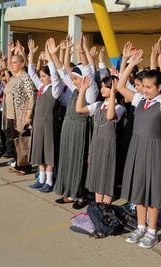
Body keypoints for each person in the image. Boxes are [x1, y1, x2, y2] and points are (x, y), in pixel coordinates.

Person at [118, 48, 161, 249]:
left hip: (153, 150)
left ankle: (152, 232)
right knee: (139, 191)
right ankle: (140, 227)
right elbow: (121, 86)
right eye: (144, 86)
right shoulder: (141, 100)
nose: (145, 90)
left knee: (152, 193)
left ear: (158, 87)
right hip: (136, 148)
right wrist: (131, 64)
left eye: (150, 87)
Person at [51, 35, 98, 209]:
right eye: (73, 79)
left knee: (77, 160)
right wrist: (55, 54)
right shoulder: (75, 88)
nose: (74, 81)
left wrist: (80, 50)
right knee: (67, 159)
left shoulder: (90, 90)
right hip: (68, 127)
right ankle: (67, 190)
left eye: (76, 78)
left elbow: (86, 71)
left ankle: (79, 195)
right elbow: (62, 72)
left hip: (80, 129)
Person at [76, 75, 125, 204]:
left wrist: (113, 95)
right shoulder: (98, 104)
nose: (102, 89)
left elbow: (110, 116)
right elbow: (79, 109)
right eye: (101, 86)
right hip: (96, 143)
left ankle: (106, 206)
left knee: (107, 175)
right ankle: (98, 205)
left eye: (106, 87)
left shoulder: (119, 108)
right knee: (97, 174)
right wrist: (82, 91)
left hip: (108, 145)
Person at [27, 39, 63, 193]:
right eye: (40, 76)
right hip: (38, 123)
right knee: (39, 151)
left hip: (49, 124)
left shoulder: (55, 89)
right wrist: (31, 55)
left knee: (48, 152)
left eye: (43, 76)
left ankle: (49, 181)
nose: (40, 78)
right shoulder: (41, 87)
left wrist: (50, 59)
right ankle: (41, 179)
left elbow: (55, 77)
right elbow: (31, 73)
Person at [2, 41, 36, 175]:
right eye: (11, 63)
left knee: (23, 142)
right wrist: (10, 52)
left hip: (21, 115)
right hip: (11, 115)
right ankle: (17, 163)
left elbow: (32, 96)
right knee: (15, 141)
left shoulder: (25, 77)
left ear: (22, 64)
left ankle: (25, 167)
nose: (12, 64)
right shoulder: (13, 77)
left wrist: (28, 115)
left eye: (15, 62)